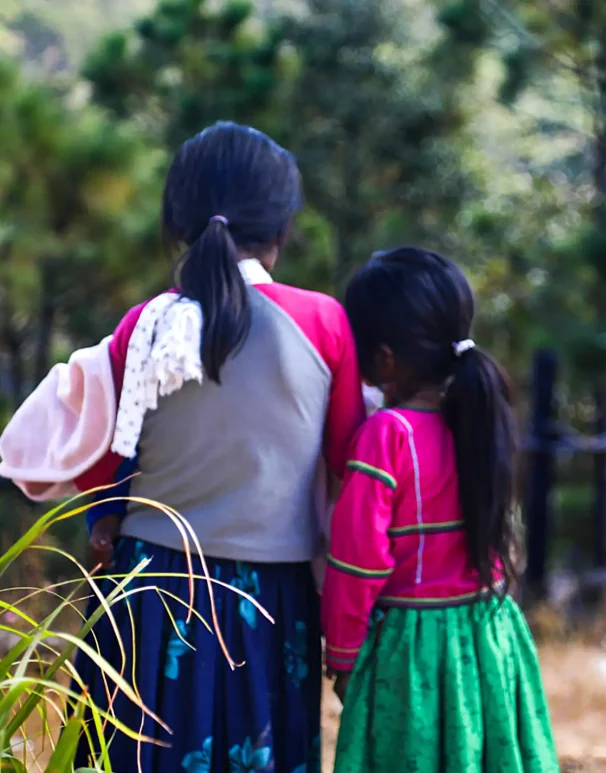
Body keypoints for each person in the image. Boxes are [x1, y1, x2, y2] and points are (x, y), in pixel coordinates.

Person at [72, 121, 365, 772]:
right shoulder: (324, 323)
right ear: (281, 229)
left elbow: (103, 458)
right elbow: (350, 462)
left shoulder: (144, 324)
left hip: (149, 593)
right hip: (272, 602)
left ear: (178, 223)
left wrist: (103, 522)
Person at [322, 247, 559, 773]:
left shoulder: (387, 435)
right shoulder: (481, 418)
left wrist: (341, 656)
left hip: (413, 654)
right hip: (491, 636)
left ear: (383, 359)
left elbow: (358, 562)